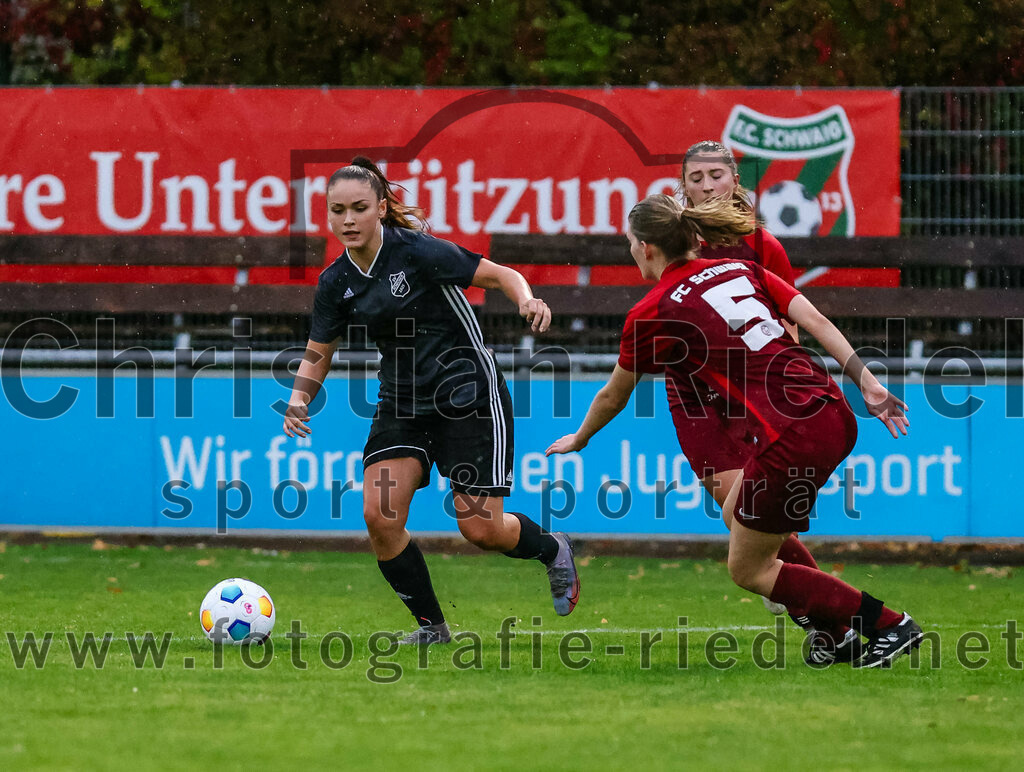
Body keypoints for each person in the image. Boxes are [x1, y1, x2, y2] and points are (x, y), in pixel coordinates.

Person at [546, 193, 923, 669]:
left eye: (629, 244)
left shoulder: (652, 310)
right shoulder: (737, 269)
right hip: (831, 409)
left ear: (646, 247)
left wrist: (581, 437)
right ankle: (837, 631)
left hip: (792, 433)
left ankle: (887, 625)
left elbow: (614, 396)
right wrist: (867, 382)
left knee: (748, 568)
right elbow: (816, 320)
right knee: (735, 513)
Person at [284, 157, 580, 645]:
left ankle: (551, 548)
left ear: (381, 207)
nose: (349, 220)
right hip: (401, 402)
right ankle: (433, 629)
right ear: (329, 216)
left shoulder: (418, 252)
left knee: (481, 530)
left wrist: (526, 299)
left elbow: (501, 274)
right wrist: (298, 398)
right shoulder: (335, 281)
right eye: (338, 210)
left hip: (468, 394)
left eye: (359, 207)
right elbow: (319, 351)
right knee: (379, 516)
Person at [680, 140, 831, 640]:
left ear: (735, 182)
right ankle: (821, 616)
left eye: (715, 176)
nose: (705, 186)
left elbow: (787, 324)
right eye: (696, 178)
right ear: (683, 184)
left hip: (750, 388)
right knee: (736, 505)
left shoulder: (763, 245)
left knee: (752, 511)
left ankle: (820, 615)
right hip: (692, 389)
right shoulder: (675, 236)